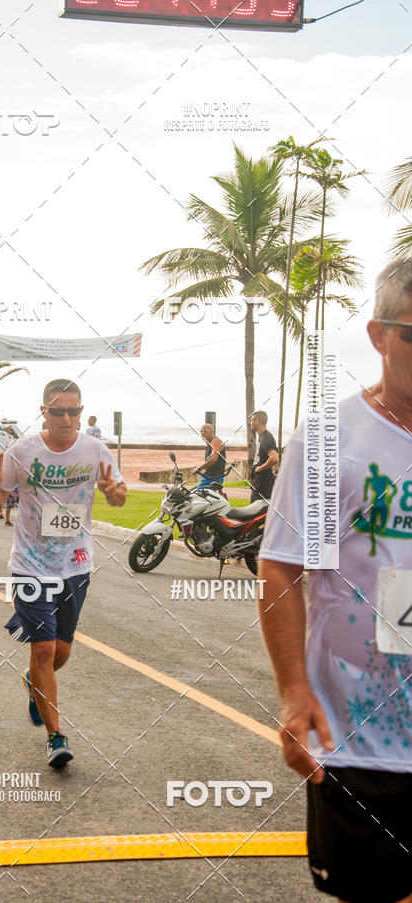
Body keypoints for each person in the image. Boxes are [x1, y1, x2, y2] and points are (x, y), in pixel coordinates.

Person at [258, 259, 412, 903]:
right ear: (379, 336)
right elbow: (284, 567)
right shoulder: (331, 441)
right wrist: (294, 691)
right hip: (363, 735)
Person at [0, 378, 127, 769]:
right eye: (58, 411)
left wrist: (114, 491)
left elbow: (118, 496)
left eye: (74, 411)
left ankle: (34, 683)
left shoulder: (95, 449)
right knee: (43, 649)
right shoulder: (22, 451)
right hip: (30, 565)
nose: (67, 418)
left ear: (82, 411)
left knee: (61, 651)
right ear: (44, 411)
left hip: (76, 563)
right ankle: (55, 737)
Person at [249, 410, 278, 502]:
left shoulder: (266, 438)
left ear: (257, 421)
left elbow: (274, 458)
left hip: (263, 481)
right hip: (260, 480)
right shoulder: (262, 437)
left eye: (251, 420)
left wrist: (260, 468)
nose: (250, 423)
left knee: (258, 511)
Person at [194, 423, 226, 490]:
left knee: (197, 496)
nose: (202, 433)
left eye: (205, 431)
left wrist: (200, 468)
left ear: (212, 432)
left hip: (213, 478)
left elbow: (213, 459)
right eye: (201, 431)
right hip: (209, 477)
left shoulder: (215, 441)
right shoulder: (209, 444)